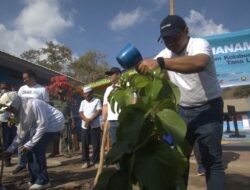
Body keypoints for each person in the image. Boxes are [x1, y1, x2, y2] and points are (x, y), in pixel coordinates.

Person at [137, 15, 224, 190]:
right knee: (176, 160)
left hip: (209, 109)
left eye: (174, 37)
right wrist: (139, 67)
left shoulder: (199, 44)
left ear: (186, 31)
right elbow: (149, 68)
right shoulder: (164, 54)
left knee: (211, 162)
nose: (170, 43)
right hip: (181, 112)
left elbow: (199, 63)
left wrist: (160, 63)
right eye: (166, 39)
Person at [0, 91, 64, 190]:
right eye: (7, 109)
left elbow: (43, 125)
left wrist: (29, 145)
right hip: (40, 125)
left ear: (15, 102)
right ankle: (34, 179)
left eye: (9, 108)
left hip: (54, 123)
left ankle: (43, 181)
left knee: (36, 148)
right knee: (29, 150)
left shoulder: (34, 104)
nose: (9, 111)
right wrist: (9, 150)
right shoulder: (17, 114)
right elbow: (20, 134)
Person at [13, 69, 50, 174]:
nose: (24, 80)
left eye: (26, 78)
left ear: (33, 77)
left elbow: (46, 106)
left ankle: (34, 165)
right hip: (22, 120)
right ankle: (21, 164)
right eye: (23, 78)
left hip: (35, 121)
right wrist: (13, 117)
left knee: (33, 143)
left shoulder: (42, 89)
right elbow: (16, 104)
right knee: (21, 141)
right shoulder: (21, 89)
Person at [79, 87, 102, 169]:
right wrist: (86, 120)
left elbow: (99, 111)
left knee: (96, 145)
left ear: (91, 93)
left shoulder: (97, 100)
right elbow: (80, 112)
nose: (85, 96)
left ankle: (96, 161)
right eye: (84, 94)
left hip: (94, 126)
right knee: (84, 145)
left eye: (87, 94)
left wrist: (90, 120)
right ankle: (86, 161)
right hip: (84, 127)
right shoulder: (82, 102)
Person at [101, 67, 121, 146]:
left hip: (123, 120)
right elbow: (105, 106)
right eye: (108, 75)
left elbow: (133, 100)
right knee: (115, 145)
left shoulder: (127, 85)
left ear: (118, 74)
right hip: (112, 121)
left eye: (111, 74)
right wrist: (103, 120)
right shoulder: (108, 89)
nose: (109, 76)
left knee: (125, 145)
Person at [0, 82, 16, 167]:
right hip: (1, 121)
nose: (3, 90)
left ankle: (7, 160)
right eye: (2, 88)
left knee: (7, 141)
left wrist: (12, 120)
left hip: (7, 122)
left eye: (5, 88)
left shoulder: (11, 97)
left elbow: (14, 109)